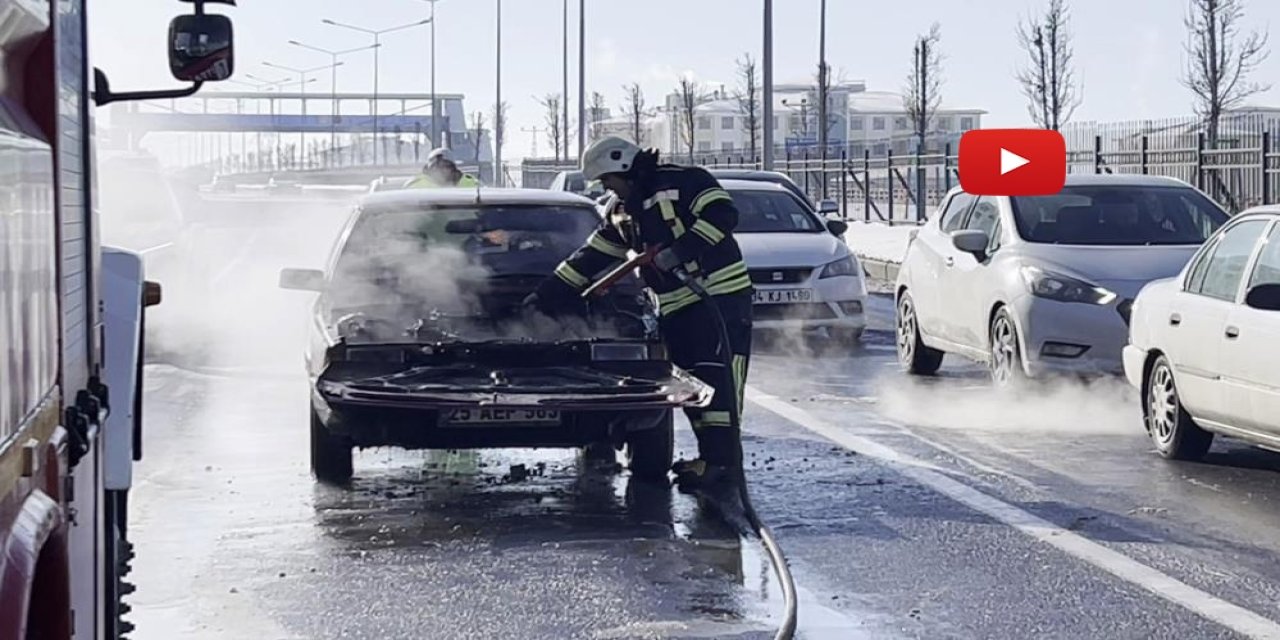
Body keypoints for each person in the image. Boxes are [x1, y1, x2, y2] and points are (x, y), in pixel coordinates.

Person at [526, 136, 754, 493]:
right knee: (693, 387)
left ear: (623, 167)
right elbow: (591, 258)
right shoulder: (622, 211)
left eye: (606, 180)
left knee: (719, 383)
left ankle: (722, 465)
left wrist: (679, 252)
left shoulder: (687, 180)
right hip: (676, 305)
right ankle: (710, 460)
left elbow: (723, 215)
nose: (605, 187)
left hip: (719, 297)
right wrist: (543, 298)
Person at [404, 147, 480, 189]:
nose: (442, 170)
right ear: (429, 169)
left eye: (447, 166)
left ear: (453, 168)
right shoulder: (415, 185)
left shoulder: (472, 184)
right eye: (438, 166)